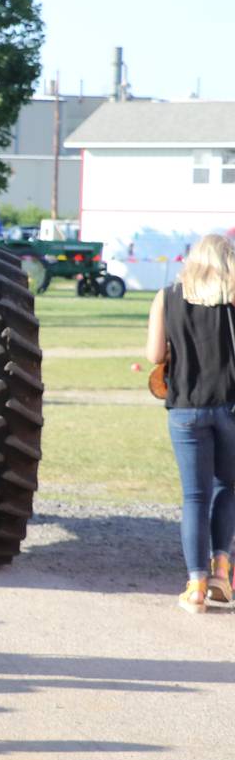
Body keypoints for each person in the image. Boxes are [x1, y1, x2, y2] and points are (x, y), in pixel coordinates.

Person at [146, 233, 235, 614]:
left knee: (194, 497)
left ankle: (195, 586)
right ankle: (222, 570)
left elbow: (153, 354)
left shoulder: (167, 296)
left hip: (185, 408)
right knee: (228, 486)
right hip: (230, 406)